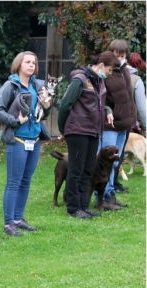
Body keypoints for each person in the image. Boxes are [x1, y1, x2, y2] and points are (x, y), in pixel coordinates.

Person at [0, 51, 53, 235]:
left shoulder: (37, 85)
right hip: (17, 140)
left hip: (34, 140)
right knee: (13, 182)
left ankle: (18, 218)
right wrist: (16, 121)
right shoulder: (10, 86)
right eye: (28, 62)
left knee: (25, 181)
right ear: (18, 64)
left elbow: (44, 113)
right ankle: (8, 223)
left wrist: (47, 107)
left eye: (34, 62)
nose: (32, 65)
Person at [57, 51, 118, 218]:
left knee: (88, 170)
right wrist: (65, 130)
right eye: (110, 69)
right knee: (76, 170)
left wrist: (107, 110)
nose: (110, 73)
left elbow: (98, 102)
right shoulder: (80, 79)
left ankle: (84, 206)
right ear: (100, 66)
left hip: (93, 131)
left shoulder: (100, 82)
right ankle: (73, 208)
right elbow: (65, 105)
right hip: (77, 131)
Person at [94, 39, 136, 209]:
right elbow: (100, 99)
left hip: (124, 124)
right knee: (105, 163)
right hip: (109, 125)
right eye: (116, 56)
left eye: (122, 56)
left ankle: (111, 194)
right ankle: (102, 197)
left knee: (116, 163)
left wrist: (132, 119)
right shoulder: (104, 74)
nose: (119, 59)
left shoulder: (125, 71)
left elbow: (128, 98)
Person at [114, 51, 147, 193]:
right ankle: (114, 184)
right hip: (127, 122)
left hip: (109, 122)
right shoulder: (136, 80)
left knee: (111, 153)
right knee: (119, 153)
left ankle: (112, 183)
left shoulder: (110, 74)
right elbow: (142, 107)